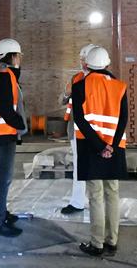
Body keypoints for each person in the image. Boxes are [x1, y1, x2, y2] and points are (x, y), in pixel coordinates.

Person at [72, 46, 128, 257]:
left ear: (87, 65)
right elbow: (123, 120)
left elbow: (80, 119)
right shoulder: (120, 87)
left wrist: (99, 146)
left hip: (90, 148)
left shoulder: (80, 86)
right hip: (115, 149)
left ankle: (97, 244)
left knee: (95, 196)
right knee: (112, 193)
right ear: (107, 64)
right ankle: (112, 240)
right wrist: (111, 146)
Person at [0, 37, 28, 237]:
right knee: (3, 178)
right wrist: (20, 124)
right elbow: (3, 108)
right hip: (3, 134)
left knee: (3, 177)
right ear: (11, 56)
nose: (20, 59)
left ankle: (2, 213)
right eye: (18, 55)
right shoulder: (4, 75)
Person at [60, 43, 96, 215]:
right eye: (81, 59)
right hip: (76, 131)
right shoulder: (76, 78)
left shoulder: (101, 80)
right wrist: (67, 94)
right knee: (79, 167)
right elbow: (63, 100)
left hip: (97, 132)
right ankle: (78, 202)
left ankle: (97, 203)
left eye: (84, 59)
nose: (81, 62)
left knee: (95, 168)